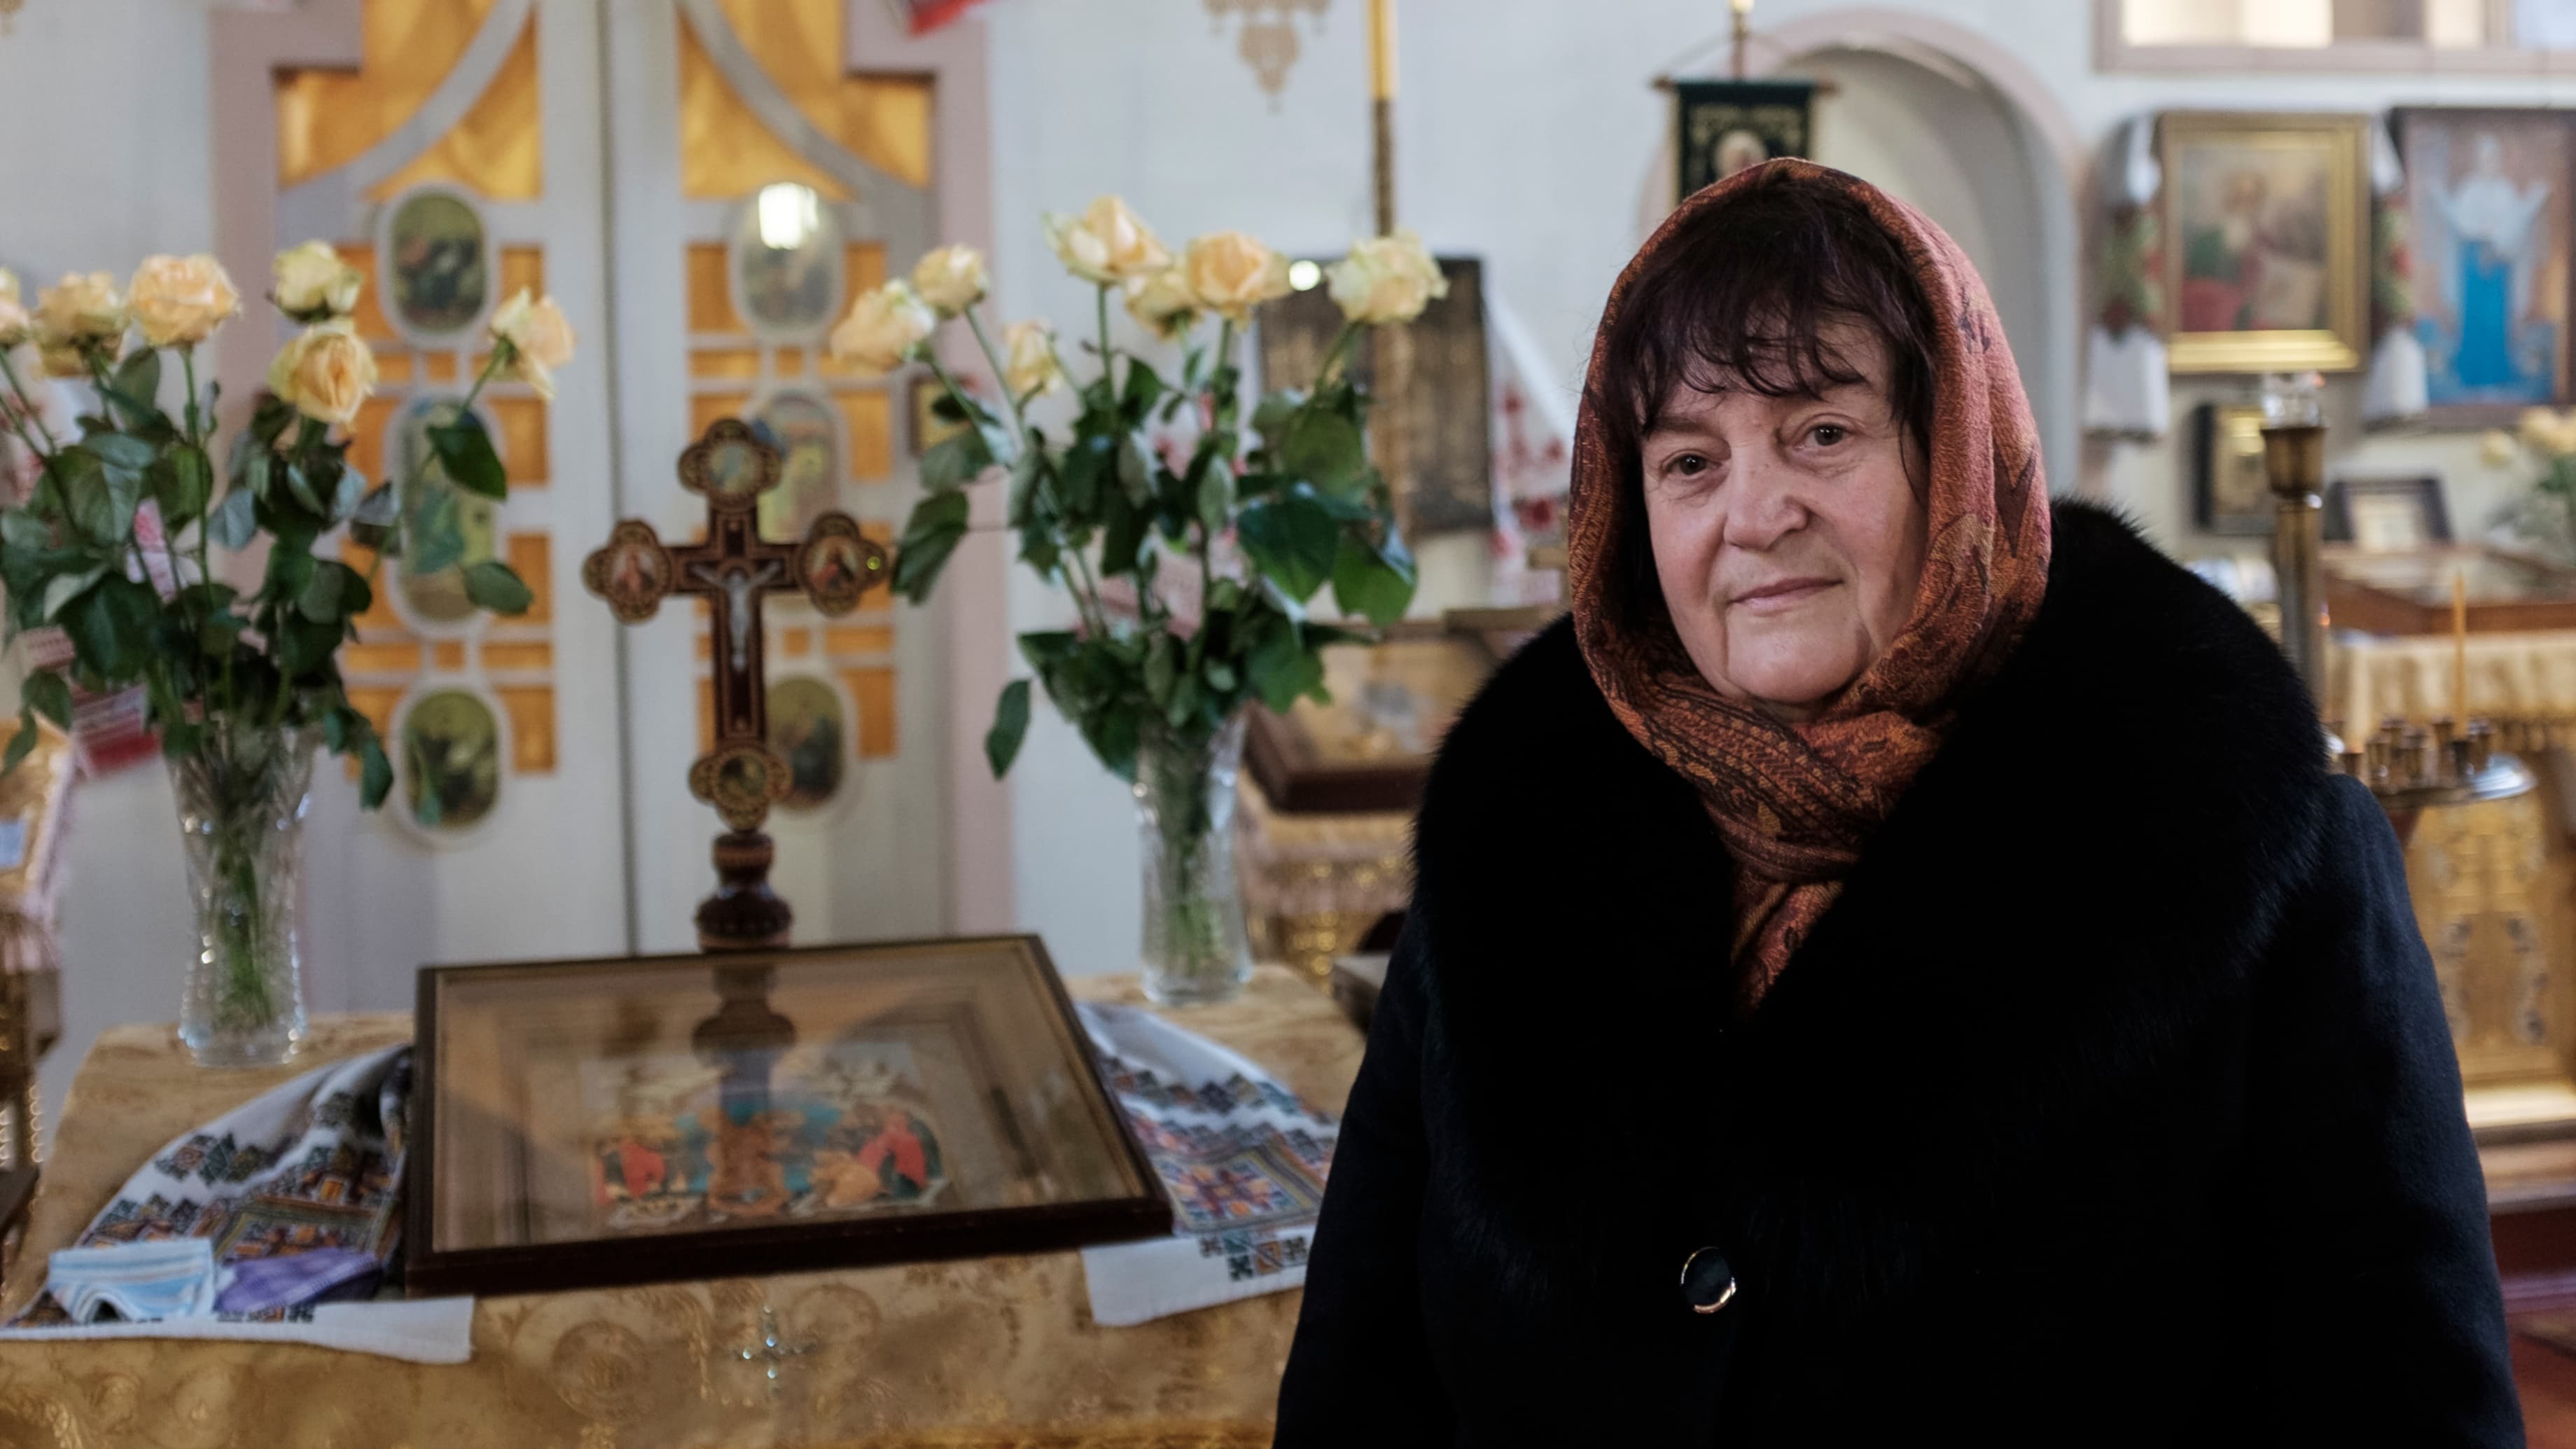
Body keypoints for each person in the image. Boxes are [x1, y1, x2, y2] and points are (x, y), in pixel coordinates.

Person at [1273, 160, 2520, 1443]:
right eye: (1690, 460)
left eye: (1822, 431)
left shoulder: (2265, 866)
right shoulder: (1517, 851)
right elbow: (1359, 1382)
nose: (1754, 514)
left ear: (1958, 449)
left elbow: (2413, 1407)